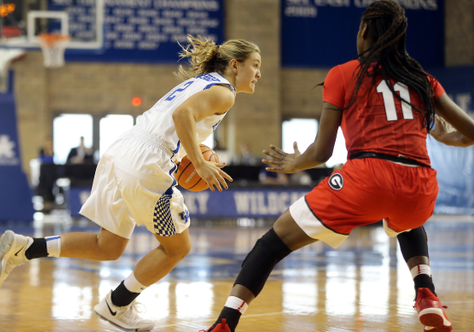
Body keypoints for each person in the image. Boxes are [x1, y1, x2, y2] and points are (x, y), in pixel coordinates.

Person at [203, 2, 474, 332]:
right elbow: (468, 133)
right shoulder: (422, 79)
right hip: (420, 184)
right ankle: (426, 293)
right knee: (405, 219)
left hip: (368, 177)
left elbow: (321, 152)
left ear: (363, 32)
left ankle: (224, 323)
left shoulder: (344, 73)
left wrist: (292, 163)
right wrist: (445, 135)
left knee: (272, 244)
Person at [0, 35, 262, 330]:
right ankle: (116, 305)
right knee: (177, 248)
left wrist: (193, 154)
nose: (259, 73)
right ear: (235, 65)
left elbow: (179, 116)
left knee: (108, 245)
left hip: (122, 150)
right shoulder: (225, 92)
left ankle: (26, 248)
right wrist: (198, 162)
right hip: (148, 160)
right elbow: (183, 114)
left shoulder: (201, 82)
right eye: (255, 65)